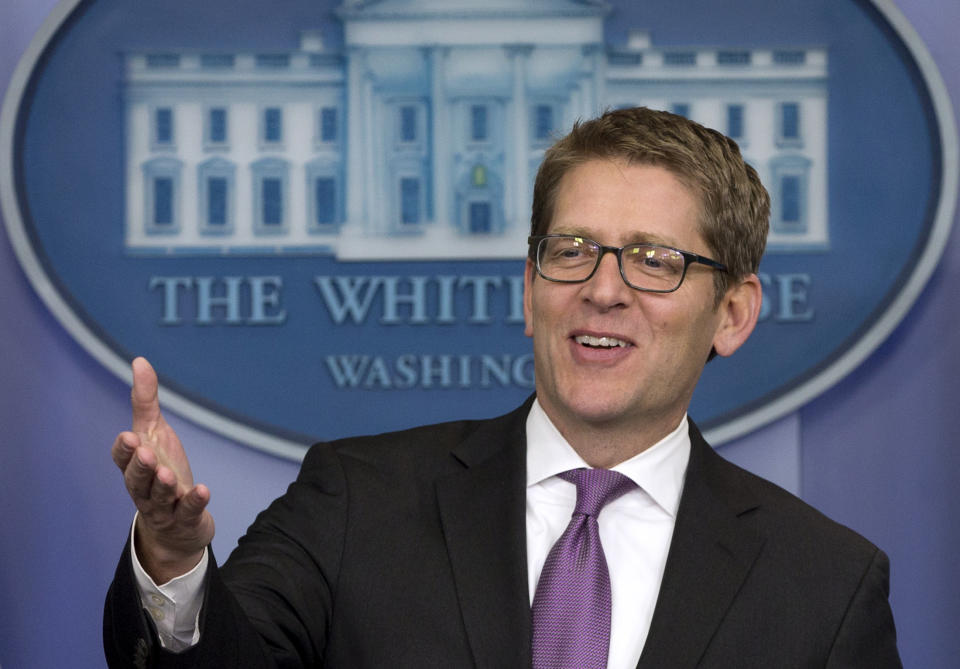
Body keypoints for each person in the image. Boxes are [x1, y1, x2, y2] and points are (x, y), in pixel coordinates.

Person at [104, 107, 901, 668]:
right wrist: (174, 562)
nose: (603, 288)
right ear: (530, 289)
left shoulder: (825, 583)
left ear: (733, 312)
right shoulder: (354, 500)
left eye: (655, 260)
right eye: (573, 249)